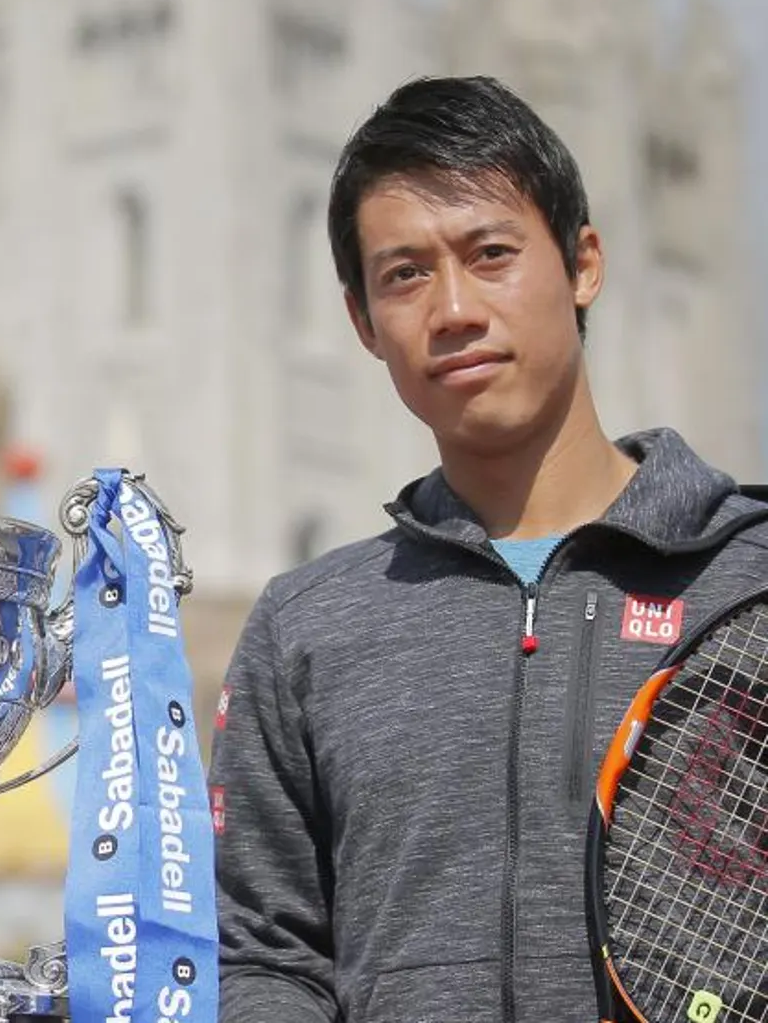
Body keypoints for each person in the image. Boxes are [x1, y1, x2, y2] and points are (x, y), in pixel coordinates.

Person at [211, 74, 768, 1021]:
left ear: (583, 263)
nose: (454, 309)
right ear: (362, 322)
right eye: (405, 274)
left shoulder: (746, 580)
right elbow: (259, 950)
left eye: (492, 254)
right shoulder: (308, 625)